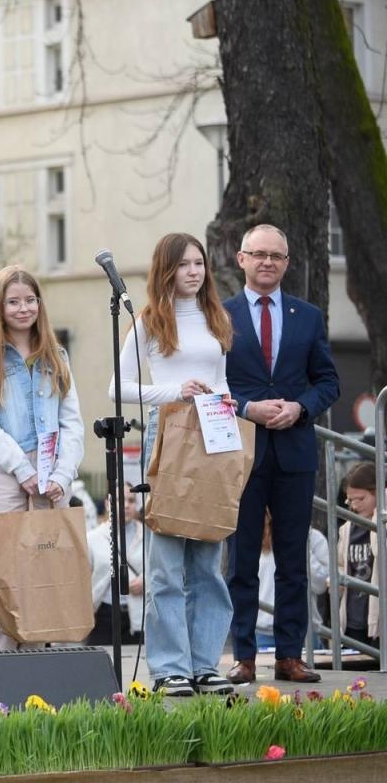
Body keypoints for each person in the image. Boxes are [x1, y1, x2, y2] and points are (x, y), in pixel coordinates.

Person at [110, 232, 235, 695]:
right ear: (166, 269)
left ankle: (205, 663)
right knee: (165, 563)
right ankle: (169, 667)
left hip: (213, 434)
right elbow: (117, 388)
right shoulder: (147, 322)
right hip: (167, 434)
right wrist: (174, 392)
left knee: (207, 560)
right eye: (183, 264)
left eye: (199, 263)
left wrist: (225, 402)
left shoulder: (215, 316)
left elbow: (220, 380)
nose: (194, 272)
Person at [223, 224, 339, 684]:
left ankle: (290, 655)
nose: (267, 261)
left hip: (294, 452)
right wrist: (248, 407)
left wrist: (300, 407)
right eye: (259, 254)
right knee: (242, 559)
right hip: (242, 451)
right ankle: (244, 657)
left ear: (286, 263)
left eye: (276, 255)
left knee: (293, 560)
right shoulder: (222, 315)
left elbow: (328, 381)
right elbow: (212, 384)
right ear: (241, 259)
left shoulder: (307, 316)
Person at [0, 265, 84, 651]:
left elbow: (73, 423)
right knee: (2, 578)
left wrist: (63, 475)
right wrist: (21, 468)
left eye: (30, 300)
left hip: (52, 475)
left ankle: (36, 672)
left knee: (45, 575)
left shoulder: (57, 357)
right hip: (3, 472)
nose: (23, 308)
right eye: (13, 301)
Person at [86, 485, 145, 646]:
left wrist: (146, 582)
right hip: (104, 614)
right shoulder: (93, 538)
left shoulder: (149, 536)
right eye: (119, 499)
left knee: (138, 668)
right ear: (107, 503)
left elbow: (161, 571)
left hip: (140, 617)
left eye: (131, 500)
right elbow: (82, 579)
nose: (126, 505)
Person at [335, 463, 381, 664]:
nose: (354, 506)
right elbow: (341, 564)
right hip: (353, 618)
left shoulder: (382, 525)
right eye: (350, 500)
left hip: (378, 618)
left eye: (361, 499)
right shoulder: (346, 529)